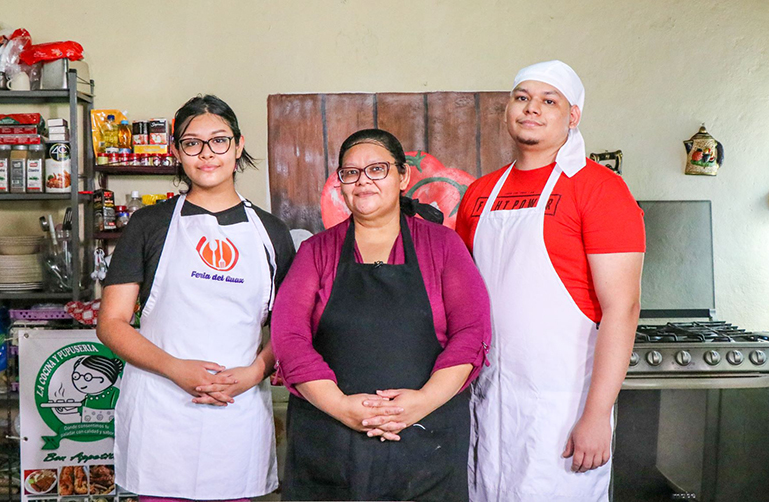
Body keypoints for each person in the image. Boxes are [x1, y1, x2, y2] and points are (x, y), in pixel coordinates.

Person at [456, 61, 645, 502]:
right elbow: (463, 295)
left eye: (548, 100)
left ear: (572, 115)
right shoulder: (479, 192)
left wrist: (597, 414)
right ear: (508, 110)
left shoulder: (600, 189)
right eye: (522, 98)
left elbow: (623, 307)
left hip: (564, 403)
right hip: (487, 395)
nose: (531, 109)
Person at [271, 129, 491, 501]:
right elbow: (289, 338)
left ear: (402, 176)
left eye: (377, 169)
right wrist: (340, 406)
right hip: (330, 441)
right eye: (351, 172)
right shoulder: (315, 251)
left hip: (426, 439)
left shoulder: (443, 246)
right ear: (340, 183)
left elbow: (472, 333)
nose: (363, 181)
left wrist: (420, 403)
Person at [97, 95, 295, 501]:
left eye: (219, 140)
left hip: (236, 414)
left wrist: (256, 372)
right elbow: (111, 324)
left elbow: (288, 328)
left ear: (238, 146)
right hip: (161, 410)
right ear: (176, 151)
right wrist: (175, 368)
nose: (207, 154)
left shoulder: (272, 233)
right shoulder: (148, 225)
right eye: (192, 143)